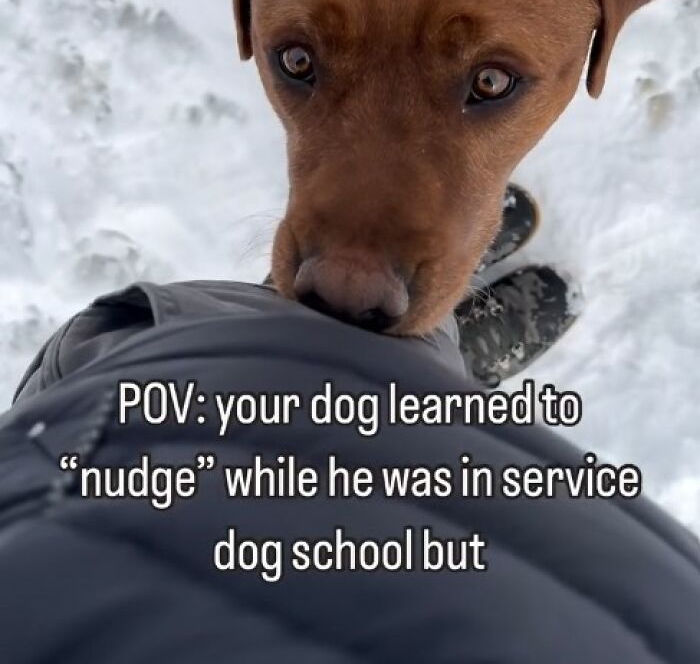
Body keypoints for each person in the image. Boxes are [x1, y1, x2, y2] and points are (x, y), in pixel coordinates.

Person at [1, 200, 699, 663]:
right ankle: (441, 351)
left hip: (88, 479)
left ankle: (369, 312)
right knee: (421, 407)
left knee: (259, 347)